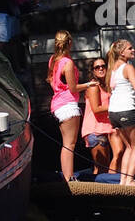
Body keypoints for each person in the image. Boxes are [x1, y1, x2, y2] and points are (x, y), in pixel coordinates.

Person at [106, 37, 135, 184]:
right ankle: (129, 179)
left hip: (113, 113)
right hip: (126, 110)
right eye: (130, 48)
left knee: (128, 147)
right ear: (122, 53)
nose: (133, 50)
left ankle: (123, 180)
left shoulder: (113, 69)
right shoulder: (128, 67)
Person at [47, 30, 82, 182]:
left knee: (66, 144)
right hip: (68, 104)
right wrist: (89, 84)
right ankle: (69, 177)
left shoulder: (53, 60)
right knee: (70, 144)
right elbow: (73, 88)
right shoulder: (68, 63)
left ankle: (68, 176)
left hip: (57, 104)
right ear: (70, 43)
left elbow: (50, 80)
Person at [80, 55, 116, 175]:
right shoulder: (93, 86)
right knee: (102, 168)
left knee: (103, 167)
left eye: (103, 66)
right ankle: (98, 192)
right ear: (93, 71)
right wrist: (117, 105)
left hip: (104, 129)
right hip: (95, 131)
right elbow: (96, 109)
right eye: (97, 67)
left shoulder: (105, 86)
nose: (101, 69)